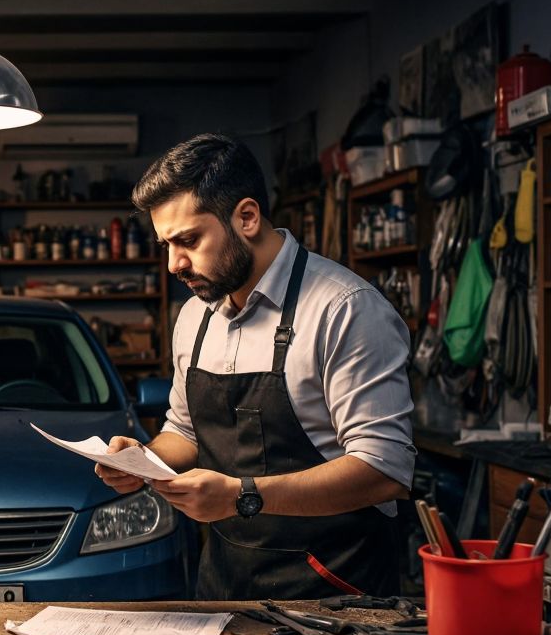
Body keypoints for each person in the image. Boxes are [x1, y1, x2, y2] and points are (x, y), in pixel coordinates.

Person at [98, 133, 415, 600]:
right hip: (226, 584)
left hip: (335, 592)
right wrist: (142, 461)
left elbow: (385, 470)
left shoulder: (345, 309)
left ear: (246, 217)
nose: (173, 264)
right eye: (166, 244)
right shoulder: (195, 315)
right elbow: (185, 432)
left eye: (188, 240)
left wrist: (240, 495)